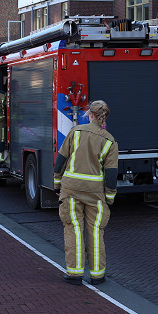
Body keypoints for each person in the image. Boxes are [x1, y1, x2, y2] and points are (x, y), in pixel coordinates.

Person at [53, 100, 118, 286]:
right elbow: (111, 174)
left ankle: (75, 274)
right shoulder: (109, 140)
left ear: (90, 114)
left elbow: (60, 161)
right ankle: (97, 275)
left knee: (73, 229)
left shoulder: (75, 132)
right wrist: (110, 198)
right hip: (95, 194)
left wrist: (57, 184)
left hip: (71, 190)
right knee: (96, 232)